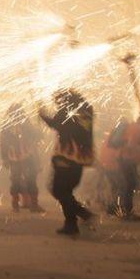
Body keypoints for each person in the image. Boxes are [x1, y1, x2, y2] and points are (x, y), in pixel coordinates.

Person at [39, 89, 96, 236]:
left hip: (66, 157)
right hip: (80, 159)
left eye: (58, 100)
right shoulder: (86, 111)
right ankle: (72, 223)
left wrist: (42, 114)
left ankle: (81, 215)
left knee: (58, 190)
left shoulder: (67, 111)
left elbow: (57, 124)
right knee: (66, 192)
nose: (57, 103)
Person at [0, 103, 43, 213]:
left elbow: (35, 136)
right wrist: (5, 158)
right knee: (21, 180)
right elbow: (3, 143)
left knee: (24, 180)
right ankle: (23, 204)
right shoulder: (11, 125)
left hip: (21, 156)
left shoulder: (15, 124)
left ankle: (24, 204)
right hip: (19, 156)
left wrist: (5, 158)